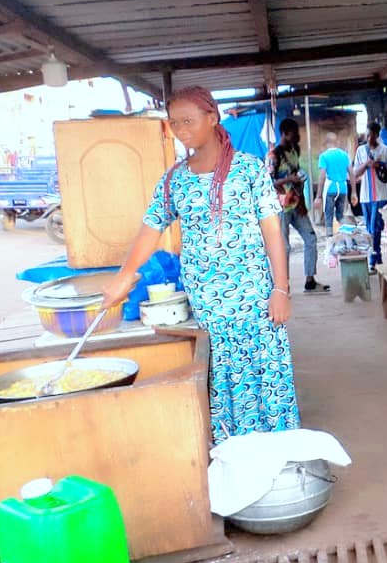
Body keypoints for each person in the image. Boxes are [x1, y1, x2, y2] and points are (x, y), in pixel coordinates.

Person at [101, 86, 300, 444]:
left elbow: (273, 233)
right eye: (174, 122)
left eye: (189, 120)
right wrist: (124, 276)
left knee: (264, 372)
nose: (181, 129)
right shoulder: (174, 180)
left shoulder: (249, 170)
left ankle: (276, 453)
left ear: (213, 118)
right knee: (223, 376)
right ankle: (234, 452)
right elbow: (150, 230)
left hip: (255, 297)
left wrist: (281, 289)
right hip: (209, 302)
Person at [268, 118, 329, 293]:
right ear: (284, 133)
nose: (297, 136)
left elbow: (297, 179)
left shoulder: (295, 150)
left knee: (311, 239)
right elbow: (268, 182)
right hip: (280, 207)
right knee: (284, 247)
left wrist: (301, 201)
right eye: (293, 134)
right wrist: (289, 179)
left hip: (296, 204)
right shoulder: (274, 155)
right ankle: (283, 286)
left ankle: (310, 281)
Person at [351, 122, 387, 271]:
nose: (369, 138)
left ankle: (372, 260)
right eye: (367, 135)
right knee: (370, 228)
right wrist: (366, 164)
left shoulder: (385, 151)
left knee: (376, 228)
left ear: (377, 135)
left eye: (372, 135)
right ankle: (378, 258)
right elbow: (355, 173)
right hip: (365, 196)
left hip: (381, 195)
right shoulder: (360, 151)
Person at [316, 132, 349, 237]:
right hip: (343, 188)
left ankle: (330, 237)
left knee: (329, 214)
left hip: (331, 188)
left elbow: (322, 176)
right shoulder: (344, 154)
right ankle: (343, 236)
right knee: (340, 215)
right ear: (337, 142)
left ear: (326, 142)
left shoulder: (324, 156)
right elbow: (352, 173)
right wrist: (354, 193)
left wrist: (318, 196)